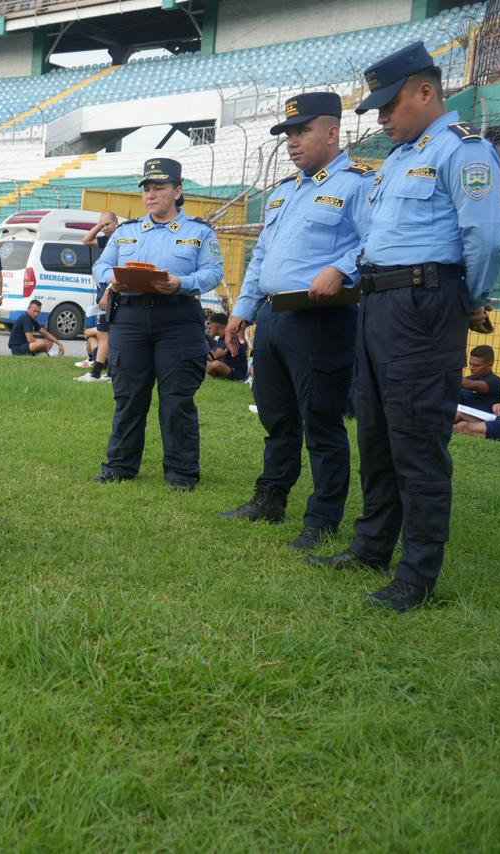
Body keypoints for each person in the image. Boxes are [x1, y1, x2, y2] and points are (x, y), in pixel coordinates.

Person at [307, 42, 500, 611]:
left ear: (425, 91)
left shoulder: (464, 151)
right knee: (375, 433)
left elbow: (486, 237)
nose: (380, 118)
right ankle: (372, 546)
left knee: (417, 441)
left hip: (424, 303)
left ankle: (417, 576)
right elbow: (375, 239)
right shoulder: (396, 159)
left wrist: (470, 299)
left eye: (388, 105)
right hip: (378, 303)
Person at [217, 92, 373, 551]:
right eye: (288, 133)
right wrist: (243, 309)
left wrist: (342, 268)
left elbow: (379, 241)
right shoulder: (284, 191)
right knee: (277, 418)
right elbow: (263, 255)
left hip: (322, 319)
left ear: (332, 132)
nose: (292, 141)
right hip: (273, 317)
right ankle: (270, 498)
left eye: (302, 131)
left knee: (321, 422)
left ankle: (322, 519)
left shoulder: (358, 184)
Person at [92, 157, 224, 489]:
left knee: (177, 398)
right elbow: (101, 265)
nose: (150, 195)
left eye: (159, 188)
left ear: (177, 191)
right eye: (147, 189)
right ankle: (120, 466)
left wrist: (182, 283)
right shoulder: (126, 231)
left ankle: (181, 472)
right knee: (128, 396)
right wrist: (111, 279)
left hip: (177, 318)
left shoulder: (199, 231)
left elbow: (213, 273)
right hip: (130, 318)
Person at [77, 211, 119, 382]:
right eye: (102, 225)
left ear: (116, 222)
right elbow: (86, 240)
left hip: (111, 290)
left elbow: (118, 271)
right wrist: (99, 225)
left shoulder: (122, 240)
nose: (105, 228)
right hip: (105, 289)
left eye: (108, 224)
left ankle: (96, 373)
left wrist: (108, 292)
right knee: (108, 334)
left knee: (103, 334)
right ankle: (110, 373)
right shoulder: (107, 240)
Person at [454, 344, 500, 421]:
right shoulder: (467, 379)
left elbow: (468, 384)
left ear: (490, 365)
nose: (471, 368)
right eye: (470, 364)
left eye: (476, 365)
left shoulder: (497, 382)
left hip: (481, 420)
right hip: (460, 413)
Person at [204, 312, 249, 381]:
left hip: (236, 373)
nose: (209, 328)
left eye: (210, 326)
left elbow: (215, 356)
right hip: (229, 369)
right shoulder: (222, 338)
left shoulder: (229, 337)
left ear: (215, 326)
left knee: (215, 365)